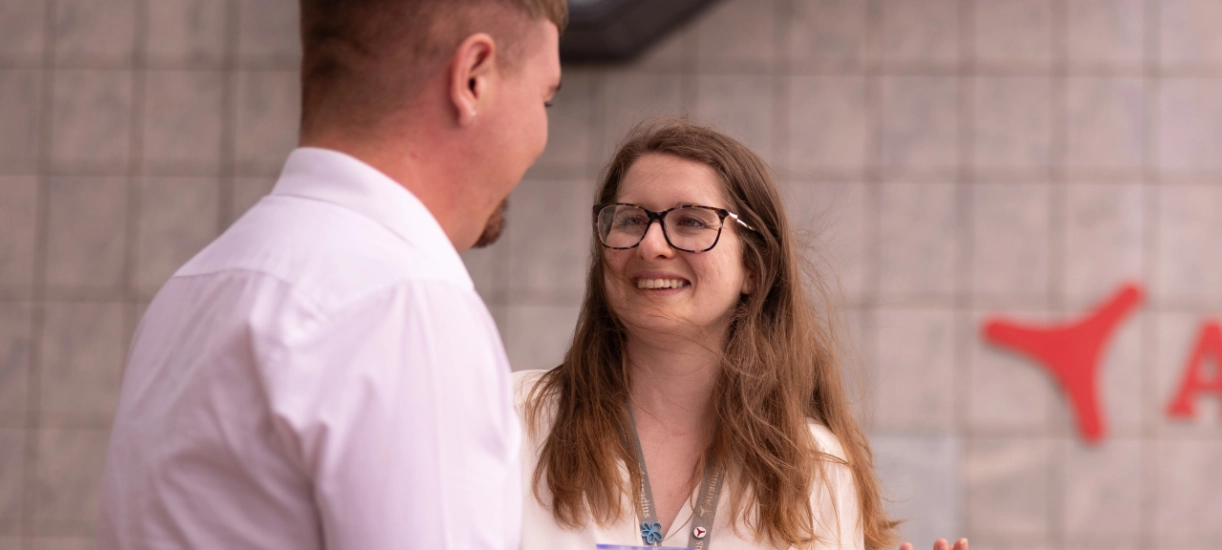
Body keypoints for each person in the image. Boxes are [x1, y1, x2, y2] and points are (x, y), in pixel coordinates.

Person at [96, 0, 565, 547]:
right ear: (473, 78)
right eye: (545, 97)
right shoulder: (405, 306)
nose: (541, 130)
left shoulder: (194, 287)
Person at [514, 120, 967, 550]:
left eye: (691, 221)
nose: (651, 244)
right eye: (630, 219)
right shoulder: (514, 419)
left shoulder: (814, 468)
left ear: (754, 266)